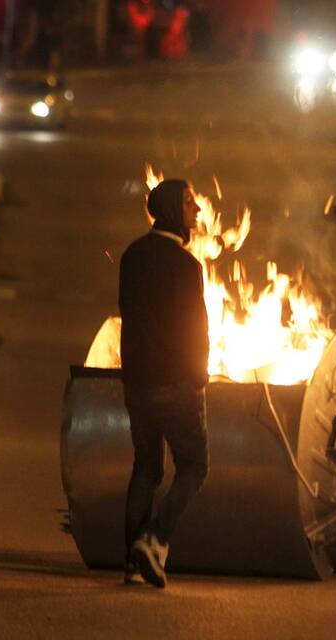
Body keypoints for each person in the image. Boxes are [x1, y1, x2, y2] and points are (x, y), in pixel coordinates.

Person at [119, 179, 209, 588]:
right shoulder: (187, 266)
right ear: (174, 208)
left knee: (146, 469)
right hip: (174, 383)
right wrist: (199, 375)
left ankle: (132, 563)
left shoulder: (131, 256)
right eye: (191, 202)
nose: (198, 210)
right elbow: (195, 329)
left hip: (137, 382)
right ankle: (156, 538)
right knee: (193, 465)